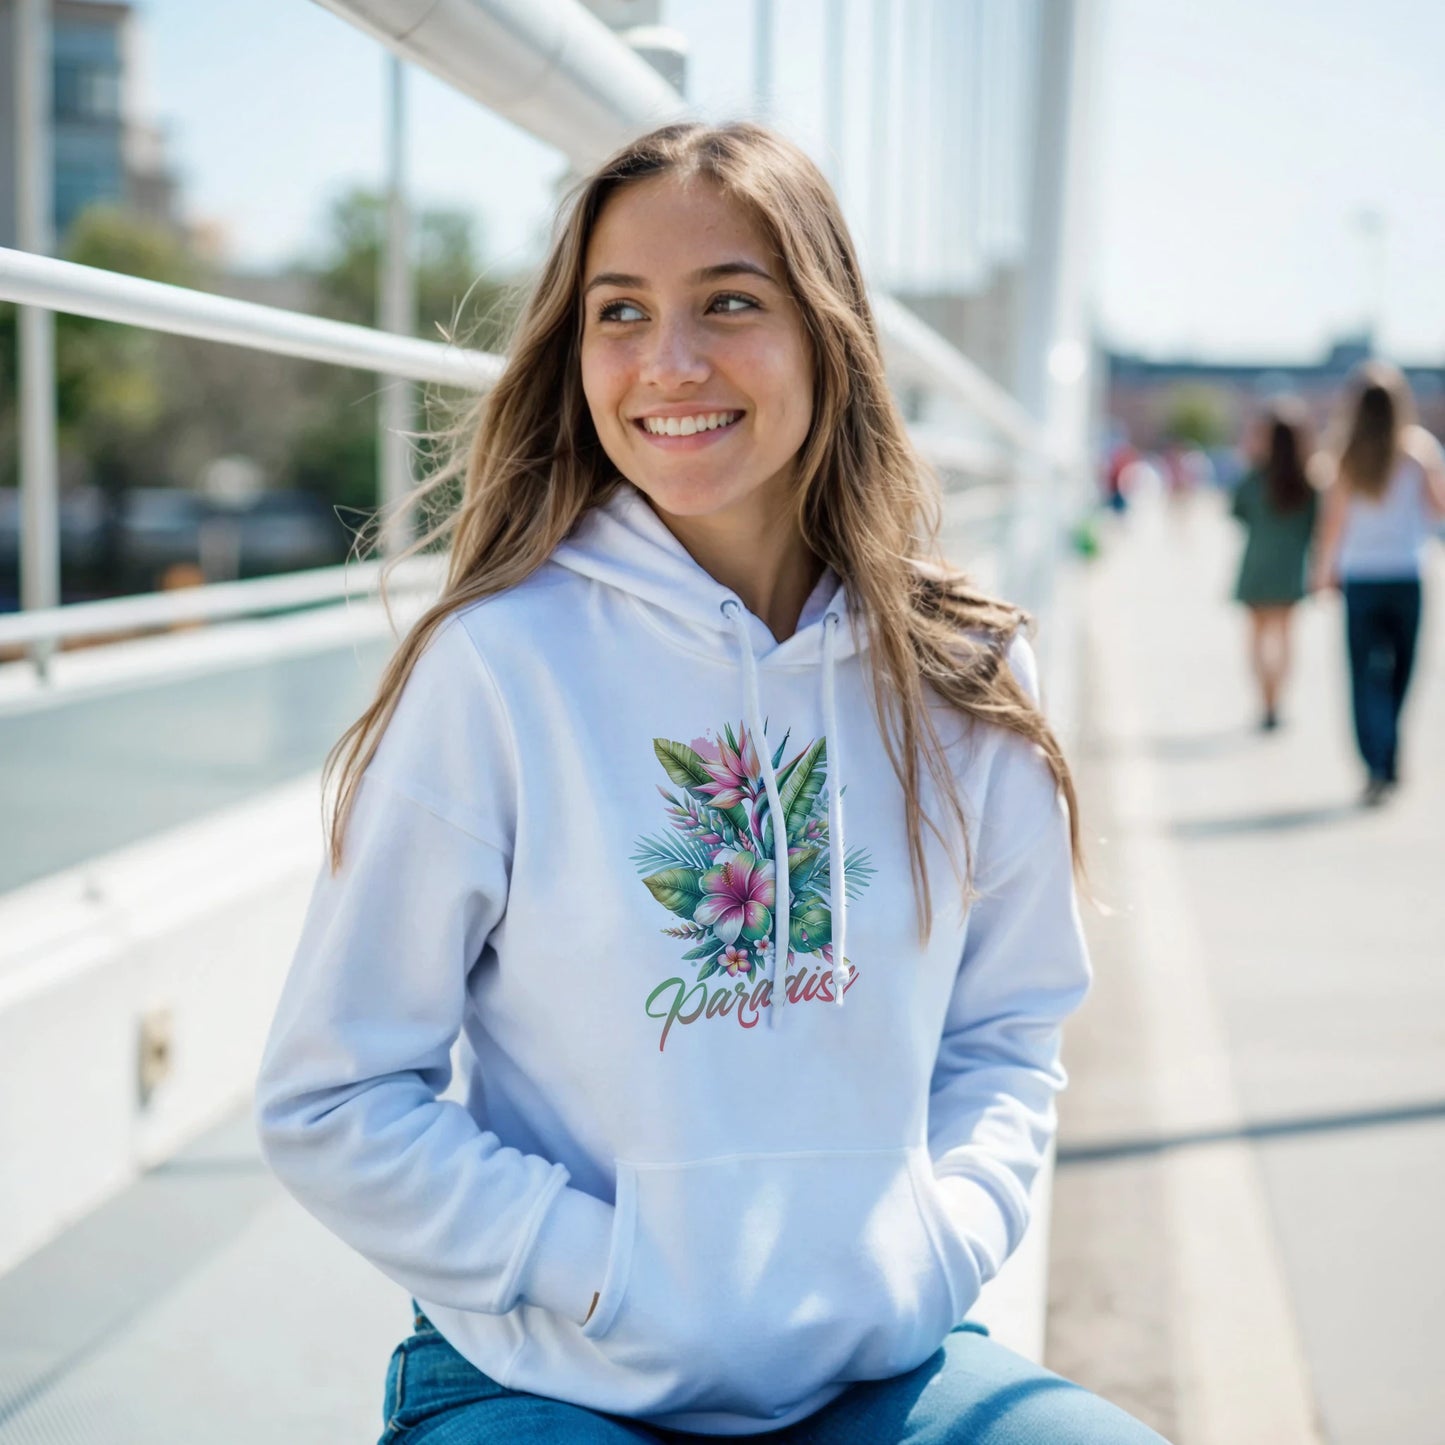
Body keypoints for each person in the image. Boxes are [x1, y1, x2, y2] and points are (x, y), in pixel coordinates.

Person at [253, 121, 1168, 1444]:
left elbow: (1008, 1032)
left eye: (729, 303)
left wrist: (935, 1244)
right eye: (619, 312)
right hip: (550, 1373)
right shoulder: (499, 667)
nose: (668, 363)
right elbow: (332, 1095)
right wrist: (603, 1273)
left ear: (828, 334)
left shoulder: (963, 671)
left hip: (873, 1359)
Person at [1311, 361, 1445, 805]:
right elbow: (1438, 509)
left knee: (1364, 674)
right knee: (1403, 670)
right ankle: (1388, 750)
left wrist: (1322, 571)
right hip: (1407, 572)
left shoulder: (1344, 454)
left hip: (1362, 575)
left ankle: (1376, 758)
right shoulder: (1419, 451)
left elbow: (1332, 523)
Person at [1228, 399, 1319, 730]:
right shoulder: (1309, 483)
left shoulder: (1255, 479)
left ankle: (1264, 700)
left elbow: (1236, 512)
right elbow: (1316, 528)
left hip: (1257, 568)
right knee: (1284, 639)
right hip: (1290, 571)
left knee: (1257, 638)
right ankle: (1276, 700)